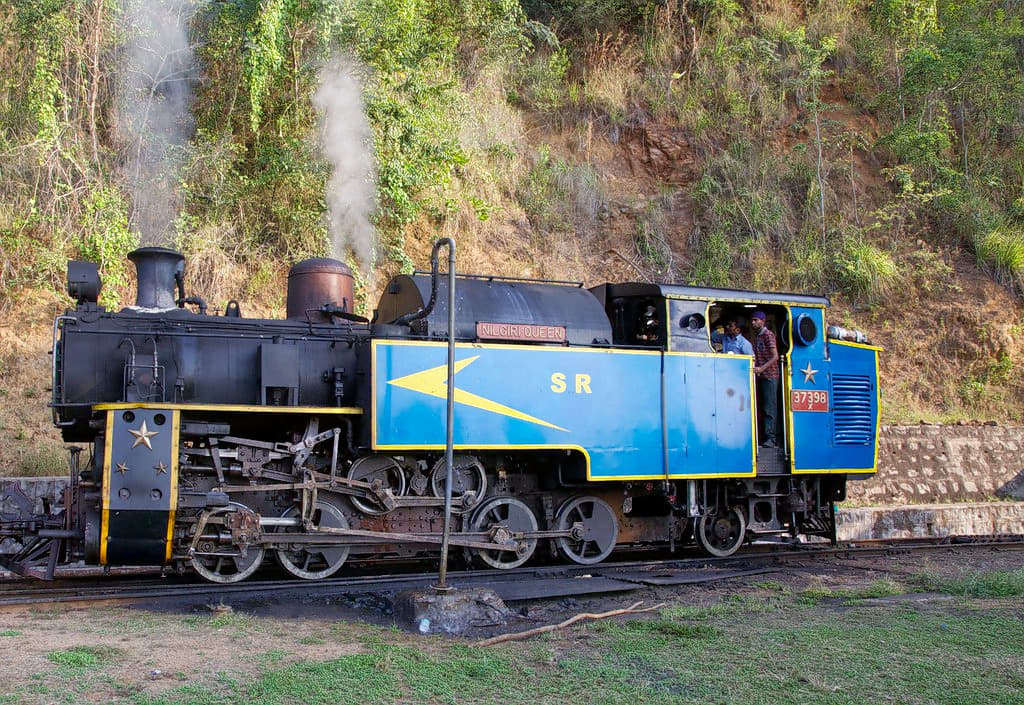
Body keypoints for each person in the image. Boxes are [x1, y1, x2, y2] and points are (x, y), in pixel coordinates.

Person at [750, 310, 780, 447]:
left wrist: (762, 368)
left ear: (763, 321)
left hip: (770, 376)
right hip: (762, 376)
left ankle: (771, 438)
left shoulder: (768, 335)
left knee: (770, 408)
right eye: (752, 320)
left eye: (756, 320)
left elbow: (775, 356)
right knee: (764, 407)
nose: (753, 322)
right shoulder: (757, 336)